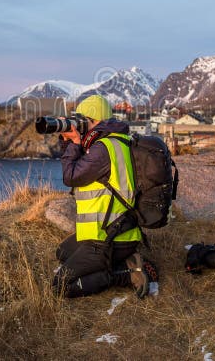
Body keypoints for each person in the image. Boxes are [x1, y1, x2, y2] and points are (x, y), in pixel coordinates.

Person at [52, 94, 156, 298]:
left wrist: (74, 143)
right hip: (114, 231)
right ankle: (128, 259)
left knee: (61, 286)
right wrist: (71, 141)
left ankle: (126, 276)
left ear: (95, 122)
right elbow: (80, 170)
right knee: (62, 253)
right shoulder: (115, 141)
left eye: (83, 121)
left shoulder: (102, 149)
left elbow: (70, 176)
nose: (79, 126)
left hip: (108, 239)